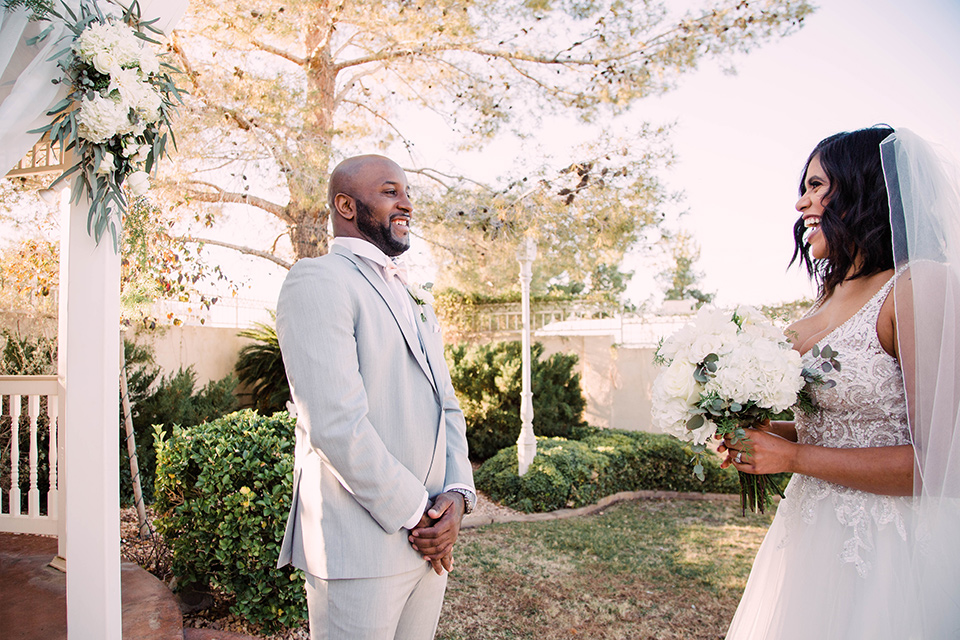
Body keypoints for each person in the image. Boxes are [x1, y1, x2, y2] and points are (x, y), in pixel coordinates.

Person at [721, 126, 960, 639]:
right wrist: (764, 434)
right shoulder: (826, 298)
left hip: (891, 550)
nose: (801, 202)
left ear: (862, 189)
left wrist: (794, 459)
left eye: (815, 186)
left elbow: (937, 466)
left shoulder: (919, 285)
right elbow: (838, 424)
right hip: (811, 533)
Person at [275, 154, 476, 640]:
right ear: (345, 204)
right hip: (359, 549)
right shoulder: (318, 280)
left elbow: (447, 405)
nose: (405, 203)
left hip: (429, 545)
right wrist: (419, 518)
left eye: (406, 192)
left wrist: (456, 496)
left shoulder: (416, 297)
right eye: (390, 192)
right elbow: (335, 425)